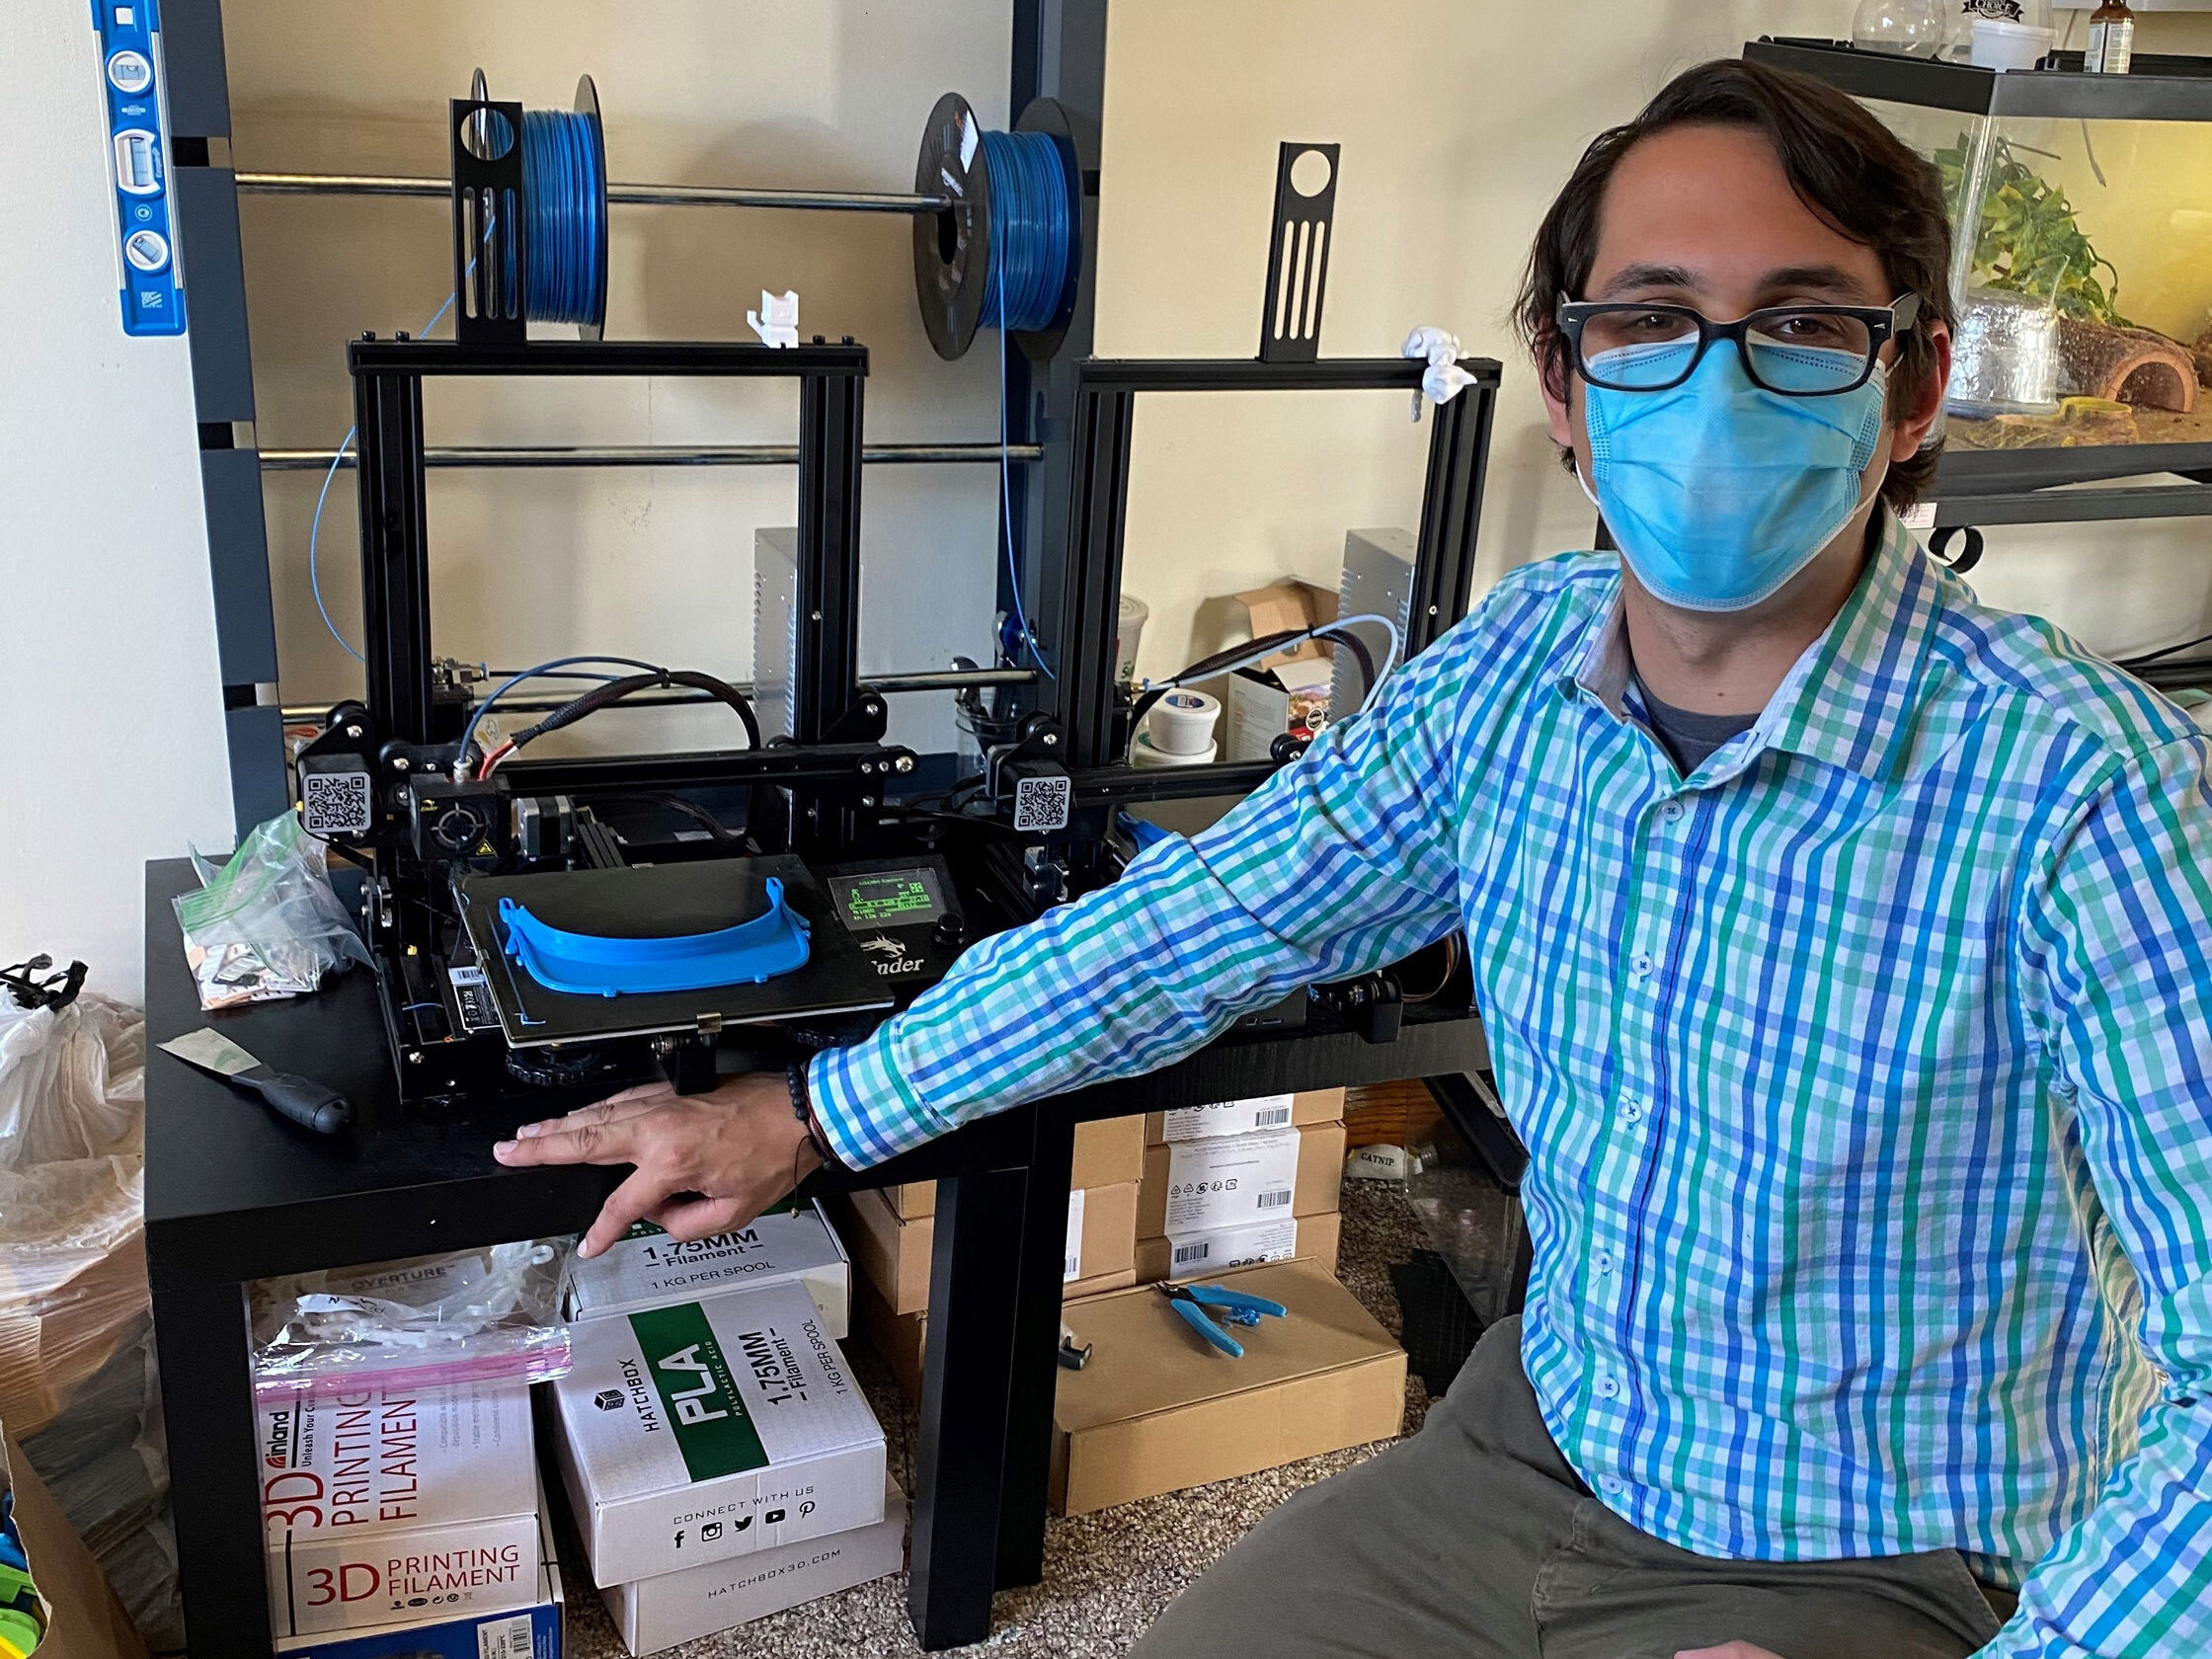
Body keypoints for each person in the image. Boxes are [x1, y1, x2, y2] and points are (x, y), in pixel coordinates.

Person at [496, 58, 2212, 1659]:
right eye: (1652, 321)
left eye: (1801, 326)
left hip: (1892, 1550)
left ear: (1908, 386)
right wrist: (809, 1113)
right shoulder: (1513, 676)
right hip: (1549, 1437)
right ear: (1564, 383)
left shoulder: (2082, 789)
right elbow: (1198, 927)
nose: (1716, 383)